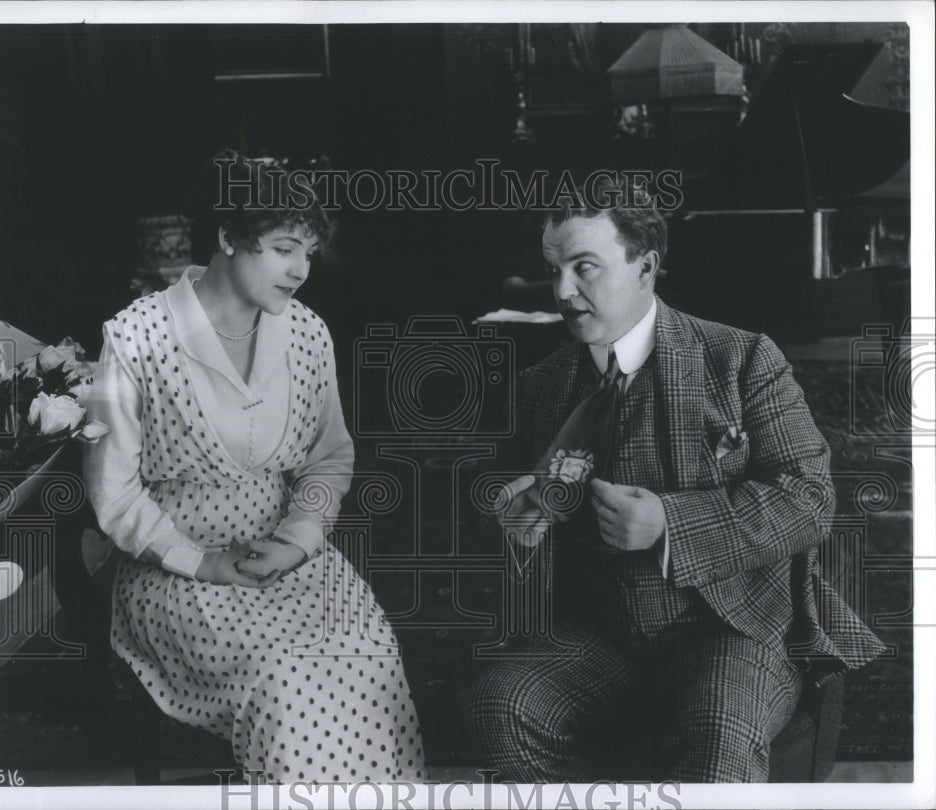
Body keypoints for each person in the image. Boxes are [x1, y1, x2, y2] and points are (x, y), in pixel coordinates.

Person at [465, 178, 884, 783]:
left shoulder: (741, 359)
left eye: (585, 268)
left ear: (646, 266)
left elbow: (810, 499)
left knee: (719, 722)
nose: (563, 291)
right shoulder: (538, 387)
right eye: (553, 269)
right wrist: (508, 522)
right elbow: (497, 516)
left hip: (733, 628)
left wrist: (670, 523)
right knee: (500, 704)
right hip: (596, 636)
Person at [84, 153, 425, 783]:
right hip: (176, 570)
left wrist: (296, 543)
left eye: (310, 253)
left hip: (286, 558)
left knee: (369, 657)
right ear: (227, 237)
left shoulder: (306, 335)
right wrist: (202, 562)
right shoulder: (136, 338)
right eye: (283, 247)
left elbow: (329, 455)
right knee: (287, 677)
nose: (300, 270)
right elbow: (115, 494)